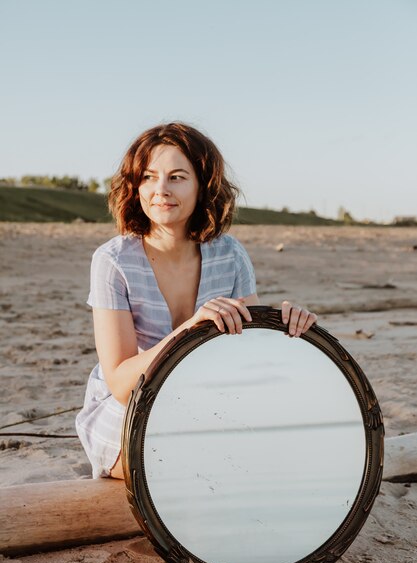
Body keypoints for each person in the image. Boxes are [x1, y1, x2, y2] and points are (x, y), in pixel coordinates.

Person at [75, 122, 317, 480]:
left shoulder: (230, 255)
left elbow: (252, 361)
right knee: (179, 466)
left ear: (203, 184)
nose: (160, 190)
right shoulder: (113, 261)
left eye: (176, 177)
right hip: (130, 409)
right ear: (135, 185)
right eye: (148, 177)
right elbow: (122, 385)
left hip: (207, 404)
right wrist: (190, 330)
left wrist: (283, 327)